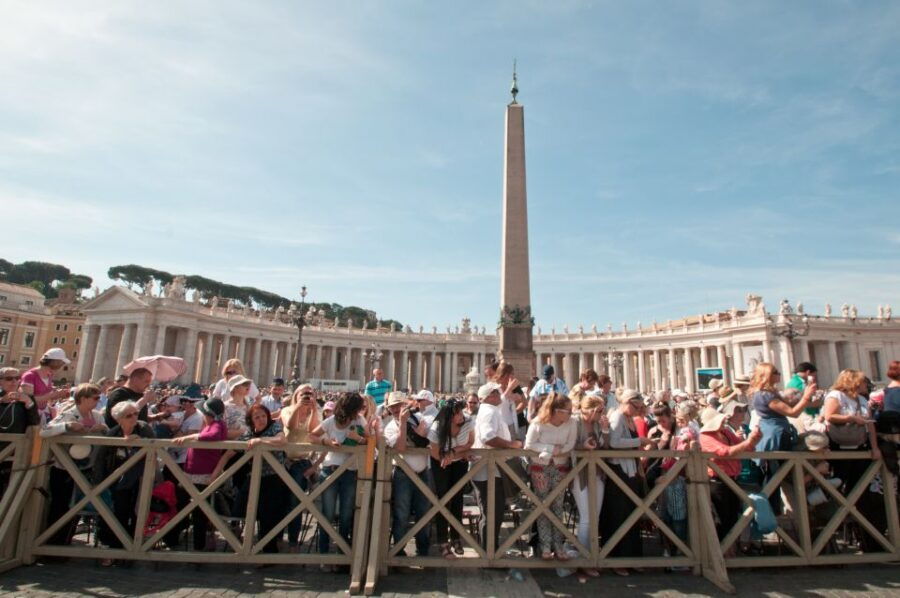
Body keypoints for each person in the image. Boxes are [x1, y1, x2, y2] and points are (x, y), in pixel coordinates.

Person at [214, 405, 286, 553]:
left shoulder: (274, 427)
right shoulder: (248, 434)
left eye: (263, 416)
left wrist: (261, 440)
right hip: (254, 477)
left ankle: (267, 553)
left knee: (268, 517)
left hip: (273, 479)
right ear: (251, 421)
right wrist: (215, 476)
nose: (261, 420)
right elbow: (229, 453)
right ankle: (239, 544)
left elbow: (281, 440)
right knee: (238, 510)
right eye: (257, 417)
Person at [39, 382, 106, 545]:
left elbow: (107, 433)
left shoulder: (97, 416)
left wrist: (103, 428)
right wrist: (66, 426)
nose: (98, 400)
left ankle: (66, 542)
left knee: (77, 507)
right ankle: (53, 544)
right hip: (64, 468)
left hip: (86, 468)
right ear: (83, 398)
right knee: (60, 506)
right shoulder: (69, 414)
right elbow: (45, 431)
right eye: (96, 398)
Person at [91, 400, 154, 565]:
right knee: (118, 513)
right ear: (119, 419)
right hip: (116, 481)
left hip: (140, 479)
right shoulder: (113, 433)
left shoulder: (144, 429)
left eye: (136, 414)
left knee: (137, 514)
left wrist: (139, 442)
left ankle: (132, 551)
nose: (134, 418)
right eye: (129, 415)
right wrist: (98, 484)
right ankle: (115, 548)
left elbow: (155, 449)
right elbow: (100, 459)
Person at [310, 392, 368, 564]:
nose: (361, 410)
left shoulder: (359, 421)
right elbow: (312, 435)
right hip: (330, 470)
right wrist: (327, 442)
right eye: (359, 407)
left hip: (350, 472)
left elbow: (371, 440)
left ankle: (342, 555)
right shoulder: (330, 421)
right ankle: (324, 555)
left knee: (346, 514)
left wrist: (358, 438)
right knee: (326, 514)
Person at [750, 362, 817, 512]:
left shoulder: (770, 393)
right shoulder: (765, 395)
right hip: (775, 436)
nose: (779, 374)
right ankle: (772, 512)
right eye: (776, 372)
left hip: (778, 432)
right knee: (775, 476)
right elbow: (793, 412)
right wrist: (806, 397)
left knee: (781, 474)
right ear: (768, 375)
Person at [602, 388, 655, 575]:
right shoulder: (617, 417)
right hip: (619, 471)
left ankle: (632, 556)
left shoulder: (629, 419)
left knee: (632, 514)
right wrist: (639, 441)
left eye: (640, 407)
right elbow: (614, 443)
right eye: (636, 406)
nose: (639, 409)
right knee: (619, 515)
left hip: (630, 470)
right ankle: (617, 559)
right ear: (626, 403)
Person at [524, 392, 576, 561]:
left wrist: (553, 451)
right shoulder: (538, 423)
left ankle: (559, 545)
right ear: (556, 410)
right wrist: (550, 448)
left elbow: (570, 444)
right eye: (567, 410)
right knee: (542, 506)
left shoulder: (571, 423)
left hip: (561, 467)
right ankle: (545, 545)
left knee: (558, 506)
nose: (571, 412)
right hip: (540, 468)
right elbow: (529, 445)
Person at [471, 382, 522, 552]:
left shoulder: (490, 411)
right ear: (491, 395)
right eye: (497, 392)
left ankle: (490, 550)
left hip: (493, 468)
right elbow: (488, 438)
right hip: (488, 470)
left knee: (494, 512)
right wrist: (511, 444)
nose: (500, 395)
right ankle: (489, 553)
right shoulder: (489, 411)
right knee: (491, 512)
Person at [174, 397, 228, 551]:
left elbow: (212, 437)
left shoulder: (217, 424)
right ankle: (185, 538)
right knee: (187, 507)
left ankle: (198, 546)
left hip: (202, 475)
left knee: (197, 512)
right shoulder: (211, 424)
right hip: (194, 474)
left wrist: (190, 437)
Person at [699, 412, 762, 542]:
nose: (724, 422)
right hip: (717, 480)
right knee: (723, 517)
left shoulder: (725, 432)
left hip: (732, 478)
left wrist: (754, 439)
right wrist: (748, 442)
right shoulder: (705, 436)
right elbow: (725, 452)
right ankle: (723, 551)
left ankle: (730, 549)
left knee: (732, 516)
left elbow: (743, 446)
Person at [384, 391, 432, 557]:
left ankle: (423, 551)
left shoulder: (419, 419)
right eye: (393, 407)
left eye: (399, 405)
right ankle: (398, 551)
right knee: (401, 514)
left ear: (405, 405)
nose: (396, 409)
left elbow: (427, 441)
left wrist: (417, 433)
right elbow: (401, 447)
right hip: (402, 475)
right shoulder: (390, 427)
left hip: (423, 473)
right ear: (389, 410)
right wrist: (403, 425)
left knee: (424, 514)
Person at [429, 398, 474, 558]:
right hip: (440, 464)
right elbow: (434, 452)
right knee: (443, 500)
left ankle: (456, 537)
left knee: (458, 498)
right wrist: (444, 458)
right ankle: (442, 540)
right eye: (458, 413)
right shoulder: (436, 427)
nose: (462, 415)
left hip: (459, 462)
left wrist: (454, 452)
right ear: (449, 416)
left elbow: (470, 442)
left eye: (462, 411)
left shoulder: (468, 422)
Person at [822, 369, 879, 496]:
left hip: (859, 443)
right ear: (855, 382)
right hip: (838, 443)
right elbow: (829, 416)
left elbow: (870, 424)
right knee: (839, 478)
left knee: (858, 480)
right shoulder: (835, 395)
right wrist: (851, 418)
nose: (866, 384)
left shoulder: (862, 400)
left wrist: (875, 448)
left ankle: (852, 510)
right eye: (864, 381)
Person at [280, 384, 323, 551]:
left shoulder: (316, 413)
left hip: (302, 463)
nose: (307, 396)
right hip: (283, 461)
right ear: (296, 395)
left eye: (310, 394)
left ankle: (292, 541)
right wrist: (298, 407)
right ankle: (276, 539)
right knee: (280, 501)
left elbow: (313, 432)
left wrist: (312, 410)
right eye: (304, 393)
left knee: (295, 503)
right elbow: (290, 426)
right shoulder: (287, 410)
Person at [571, 392, 608, 577]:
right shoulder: (574, 422)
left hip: (598, 473)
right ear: (592, 409)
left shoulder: (597, 424)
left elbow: (605, 447)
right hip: (580, 474)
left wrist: (605, 431)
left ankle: (592, 556)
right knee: (586, 517)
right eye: (600, 410)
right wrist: (582, 446)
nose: (603, 413)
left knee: (596, 516)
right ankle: (583, 559)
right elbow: (568, 446)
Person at [20, 348, 70, 423]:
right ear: (55, 362)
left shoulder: (49, 375)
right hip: (29, 416)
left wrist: (58, 394)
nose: (62, 365)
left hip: (42, 414)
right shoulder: (29, 376)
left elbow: (45, 395)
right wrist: (51, 395)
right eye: (61, 363)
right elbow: (27, 399)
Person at [223, 375, 253, 439]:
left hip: (248, 446)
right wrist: (243, 432)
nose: (248, 386)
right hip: (231, 446)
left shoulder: (249, 407)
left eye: (248, 384)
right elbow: (221, 432)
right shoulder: (224, 407)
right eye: (244, 384)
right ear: (235, 388)